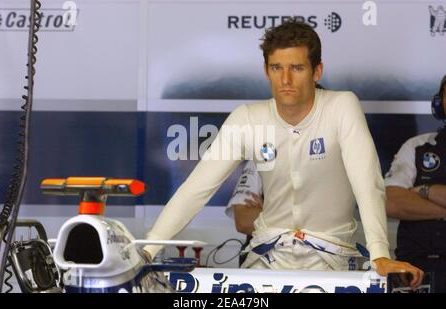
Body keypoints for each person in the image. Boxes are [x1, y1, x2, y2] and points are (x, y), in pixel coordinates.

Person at [143, 19, 423, 288]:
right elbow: (195, 189)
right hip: (267, 258)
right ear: (266, 70)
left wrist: (379, 254)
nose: (285, 79)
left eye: (297, 68)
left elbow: (368, 184)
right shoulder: (248, 118)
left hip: (331, 261)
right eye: (277, 68)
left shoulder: (342, 107)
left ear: (317, 71)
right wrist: (148, 250)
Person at [385, 75, 446, 292]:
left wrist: (424, 190)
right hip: (416, 271)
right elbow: (391, 202)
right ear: (440, 103)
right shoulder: (417, 146)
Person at [225, 161, 263, 266]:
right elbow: (244, 222)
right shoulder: (261, 159)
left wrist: (267, 209)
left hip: (311, 265)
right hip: (261, 265)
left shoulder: (312, 164)